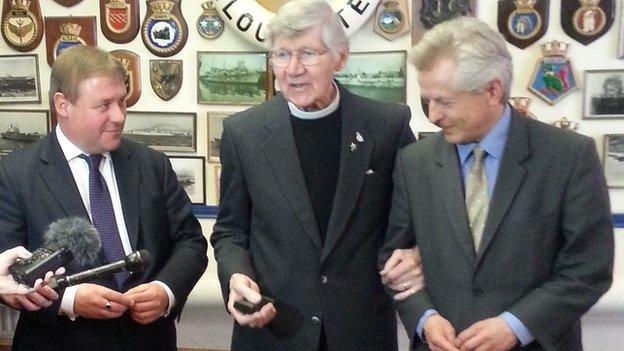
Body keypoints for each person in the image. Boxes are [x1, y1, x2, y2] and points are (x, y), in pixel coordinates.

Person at [380, 16, 614, 351]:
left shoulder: (568, 157)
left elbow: (588, 269)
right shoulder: (414, 162)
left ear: (492, 90)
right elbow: (394, 257)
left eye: (444, 101)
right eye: (427, 100)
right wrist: (424, 316)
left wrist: (516, 326)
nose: (432, 115)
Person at [211, 0, 422, 350]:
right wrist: (236, 275)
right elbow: (230, 231)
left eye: (308, 53)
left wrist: (417, 253)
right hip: (276, 330)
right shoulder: (242, 133)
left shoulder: (387, 126)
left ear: (340, 58)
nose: (293, 69)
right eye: (281, 55)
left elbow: (421, 215)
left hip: (360, 332)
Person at [0, 45, 208, 351]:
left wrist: (165, 291)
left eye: (122, 102)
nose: (119, 116)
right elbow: (6, 271)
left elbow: (191, 243)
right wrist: (68, 300)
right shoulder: (15, 174)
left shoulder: (152, 165)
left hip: (149, 342)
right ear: (63, 105)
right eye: (104, 105)